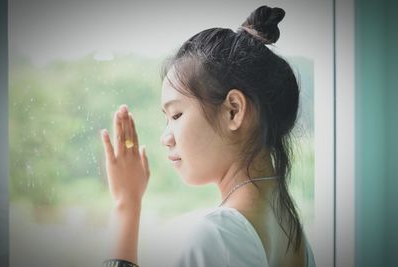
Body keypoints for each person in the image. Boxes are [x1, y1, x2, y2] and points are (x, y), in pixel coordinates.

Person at [100, 5, 316, 267]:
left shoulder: (218, 236)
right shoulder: (292, 233)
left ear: (233, 111)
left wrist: (126, 206)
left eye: (176, 115)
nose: (165, 137)